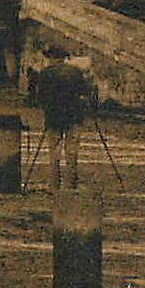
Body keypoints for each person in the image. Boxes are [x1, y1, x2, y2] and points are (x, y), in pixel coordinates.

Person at [35, 44, 92, 193]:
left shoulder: (45, 73)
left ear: (52, 58)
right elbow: (85, 93)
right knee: (72, 152)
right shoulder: (75, 72)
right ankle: (71, 185)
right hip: (74, 117)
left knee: (54, 152)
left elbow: (40, 97)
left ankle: (54, 185)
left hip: (54, 117)